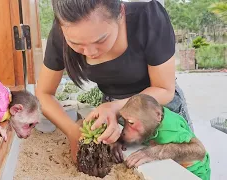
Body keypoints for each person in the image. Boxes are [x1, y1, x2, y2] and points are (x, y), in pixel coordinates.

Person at [35, 0, 193, 163]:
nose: (90, 52)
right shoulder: (62, 29)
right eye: (76, 44)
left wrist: (114, 107)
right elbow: (43, 93)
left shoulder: (147, 16)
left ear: (121, 13)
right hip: (113, 115)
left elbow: (164, 89)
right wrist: (72, 131)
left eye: (100, 40)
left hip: (160, 112)